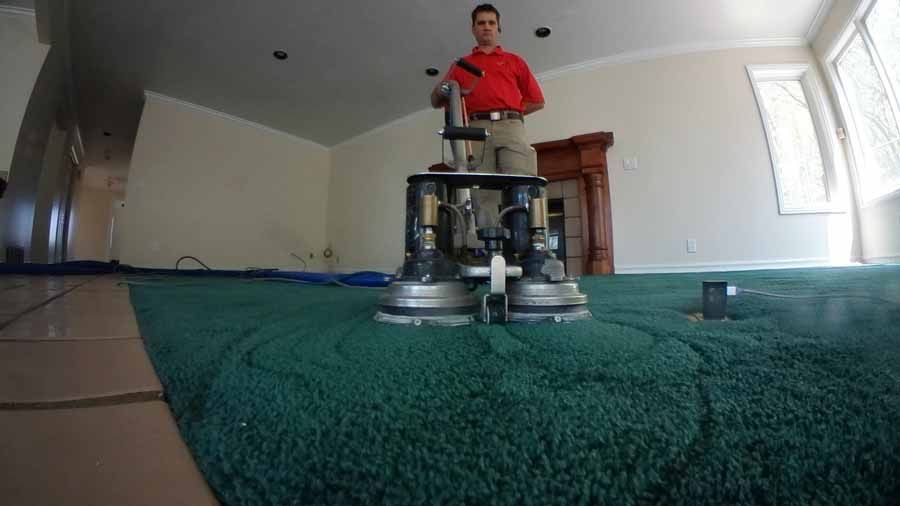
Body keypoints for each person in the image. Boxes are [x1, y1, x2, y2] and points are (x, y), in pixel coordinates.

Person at [430, 3, 545, 229]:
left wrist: (512, 114)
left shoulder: (515, 61)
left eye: (491, 23)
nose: (486, 27)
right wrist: (440, 89)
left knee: (521, 183)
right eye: (481, 23)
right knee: (482, 194)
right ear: (473, 29)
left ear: (498, 28)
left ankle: (521, 242)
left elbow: (537, 100)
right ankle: (488, 245)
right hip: (476, 129)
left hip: (511, 126)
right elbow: (436, 101)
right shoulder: (462, 65)